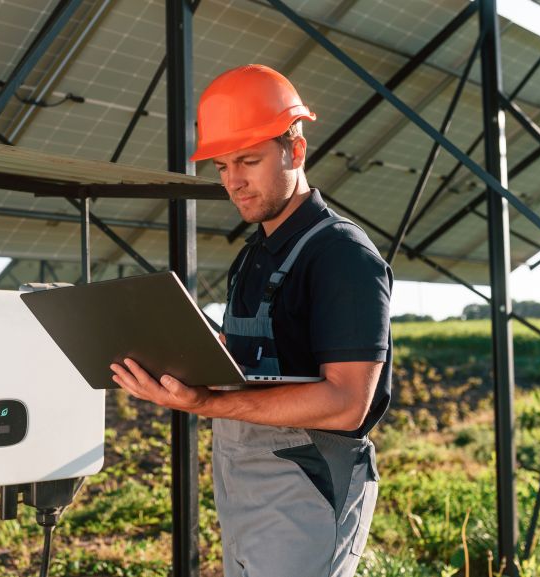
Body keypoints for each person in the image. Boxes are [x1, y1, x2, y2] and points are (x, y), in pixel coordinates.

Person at [110, 64, 392, 577]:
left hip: (309, 485)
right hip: (244, 478)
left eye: (248, 160)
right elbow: (242, 352)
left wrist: (208, 403)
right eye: (221, 166)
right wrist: (176, 354)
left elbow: (348, 404)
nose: (233, 182)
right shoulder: (255, 250)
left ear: (297, 151)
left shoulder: (341, 255)